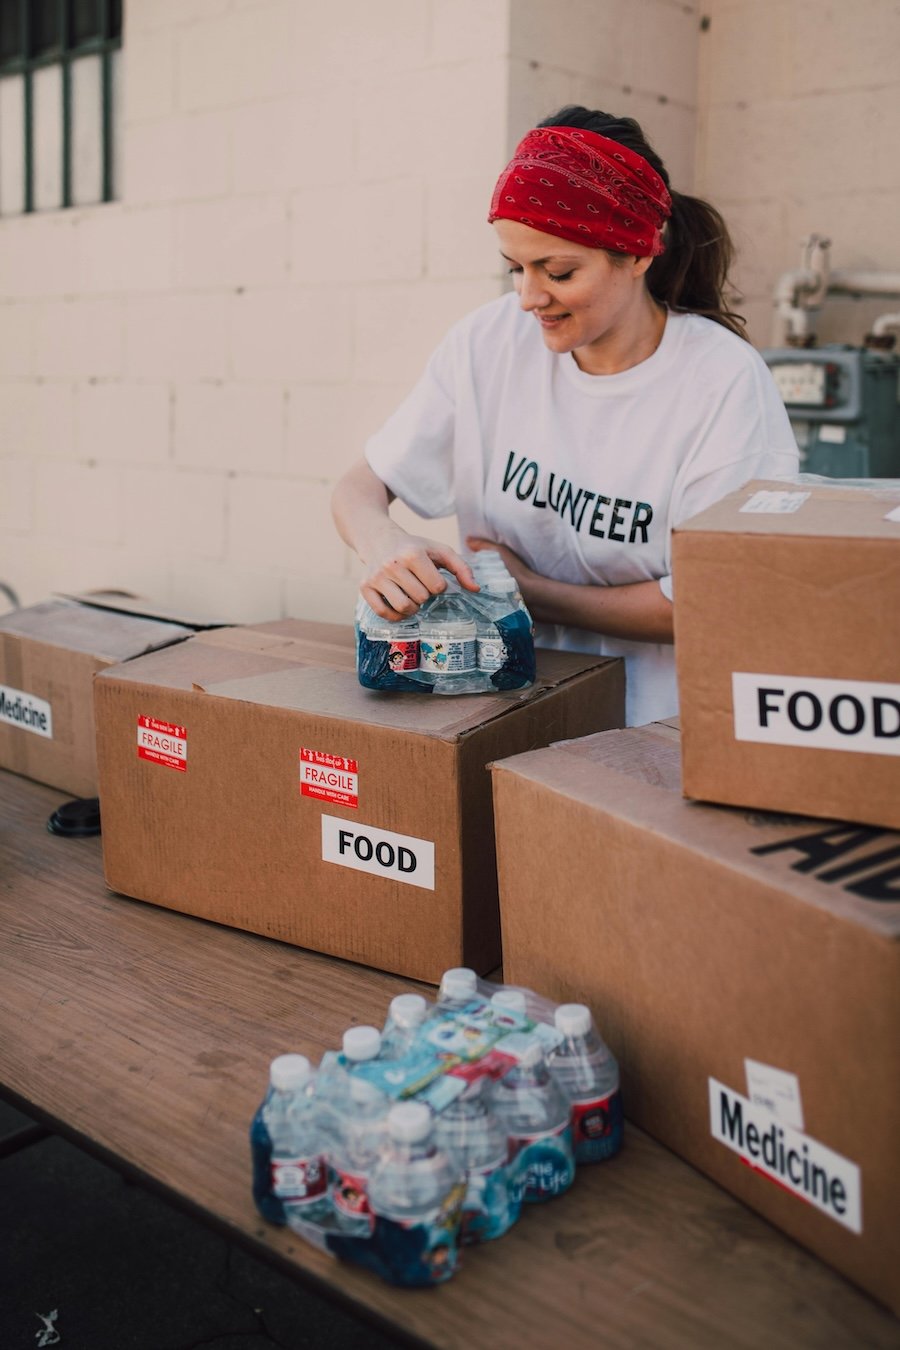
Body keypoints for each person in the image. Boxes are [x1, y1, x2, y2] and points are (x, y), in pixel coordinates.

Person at [331, 107, 798, 725]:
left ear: (637, 254)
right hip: (505, 709)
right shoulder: (488, 343)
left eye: (558, 272)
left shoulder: (721, 383)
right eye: (515, 268)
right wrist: (385, 542)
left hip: (657, 729)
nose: (528, 298)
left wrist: (533, 593)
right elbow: (358, 487)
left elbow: (714, 603)